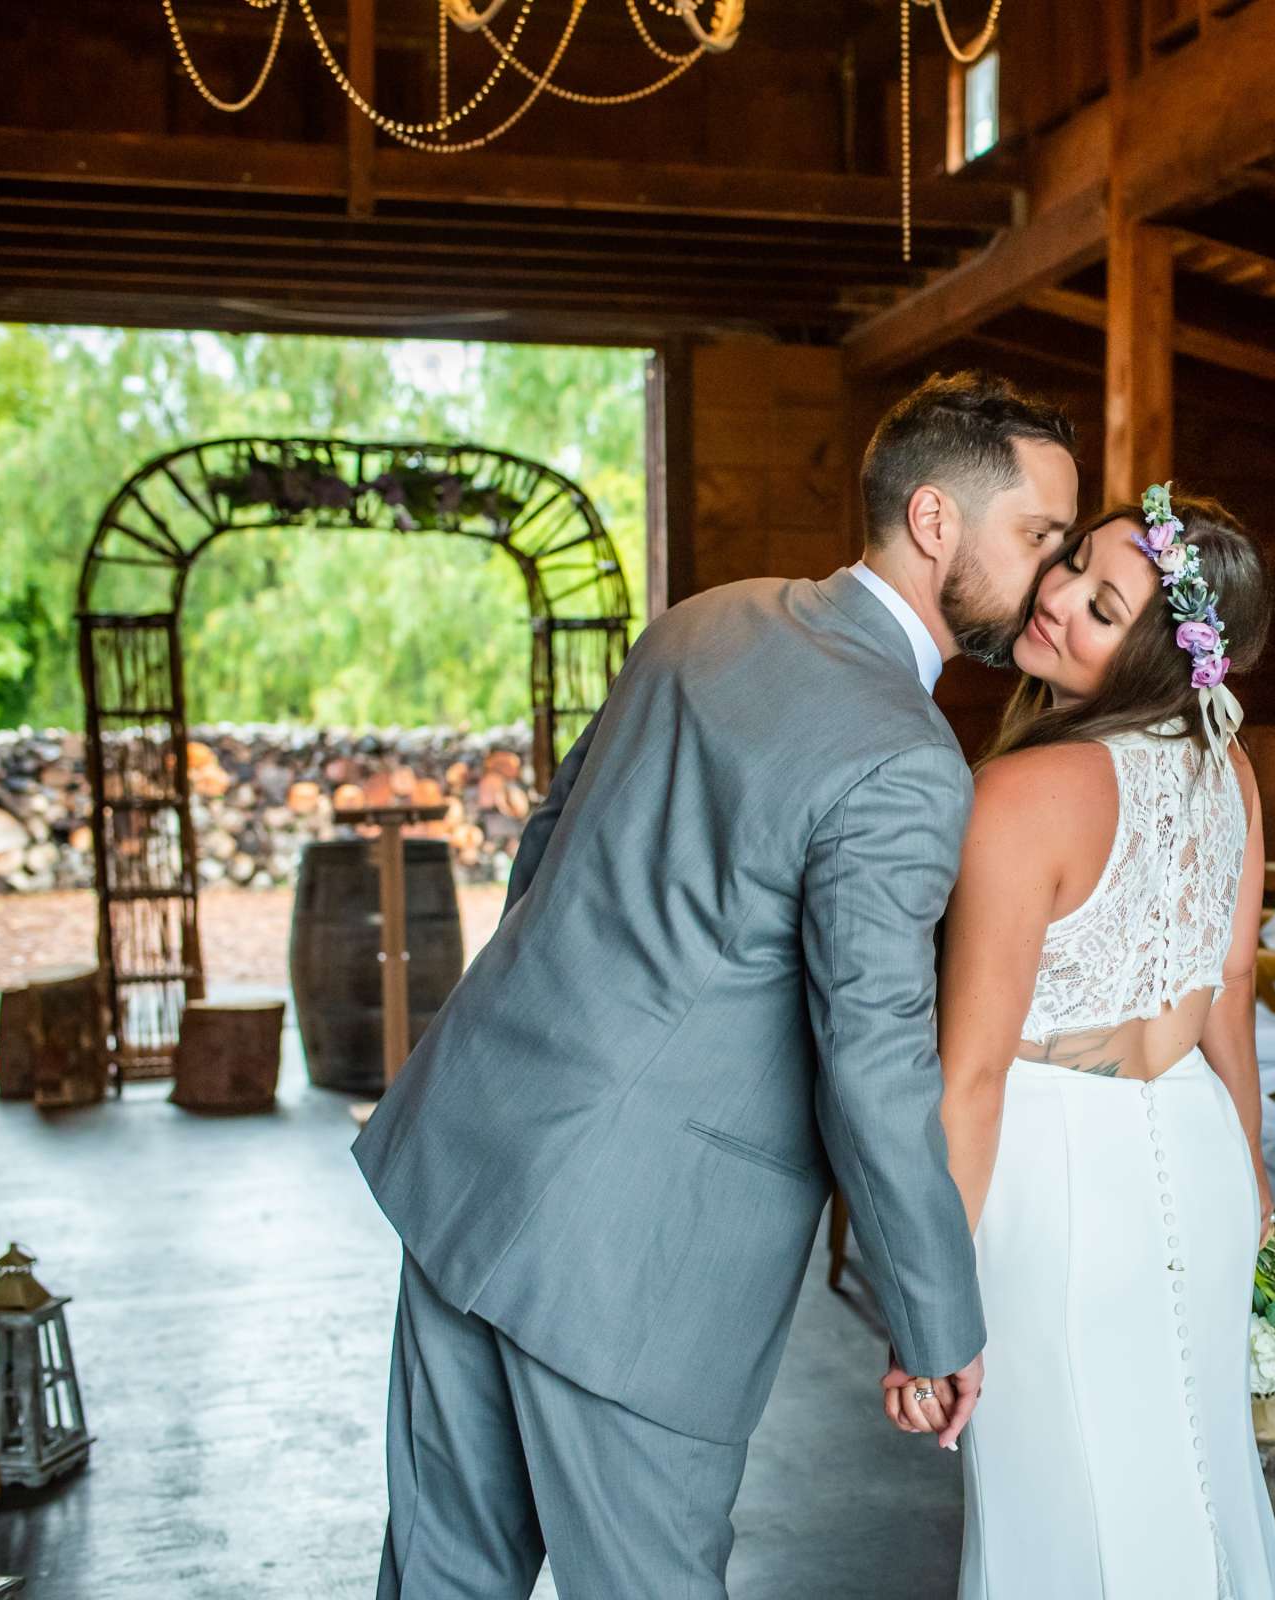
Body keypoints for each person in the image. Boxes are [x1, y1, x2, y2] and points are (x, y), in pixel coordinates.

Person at [352, 371, 1080, 1598]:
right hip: (637, 1258)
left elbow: (547, 837)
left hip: (473, 1155)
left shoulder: (706, 618)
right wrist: (936, 1316)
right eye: (1039, 537)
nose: (1052, 578)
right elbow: (871, 1058)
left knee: (440, 1576)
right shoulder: (908, 760)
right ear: (937, 524)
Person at [901, 483, 1275, 1598]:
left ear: (1159, 662)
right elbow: (1231, 980)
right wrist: (1251, 1168)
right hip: (1197, 1142)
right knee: (1196, 1489)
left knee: (1056, 1515)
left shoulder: (1018, 792)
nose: (1058, 596)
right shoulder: (1232, 772)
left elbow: (970, 1077)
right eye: (1071, 562)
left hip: (1057, 1173)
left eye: (1103, 605)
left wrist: (927, 1303)